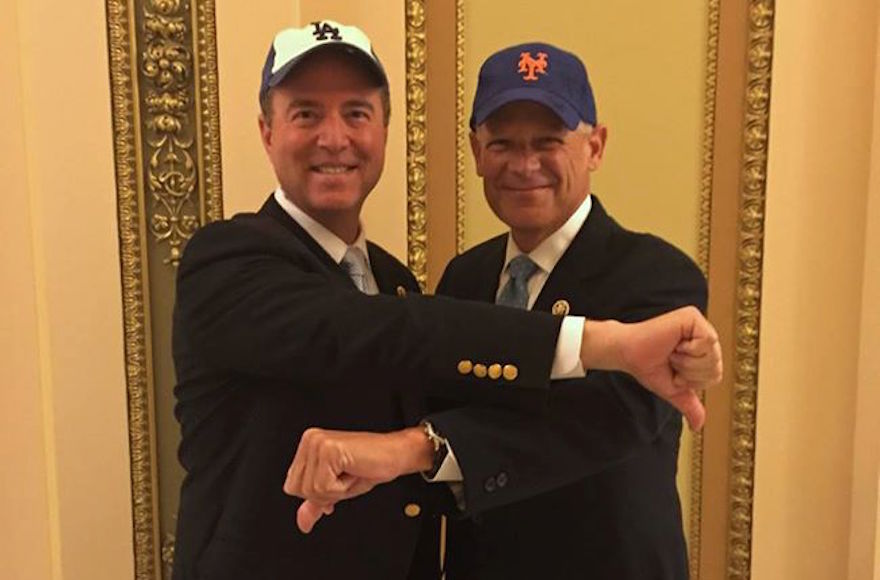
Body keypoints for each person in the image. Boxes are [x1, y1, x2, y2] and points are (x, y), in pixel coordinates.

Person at [171, 21, 720, 580]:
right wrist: (604, 342)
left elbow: (592, 424)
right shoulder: (228, 261)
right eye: (306, 113)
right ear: (267, 132)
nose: (333, 137)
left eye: (356, 113)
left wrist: (410, 449)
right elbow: (376, 330)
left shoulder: (658, 281)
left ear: (595, 145)